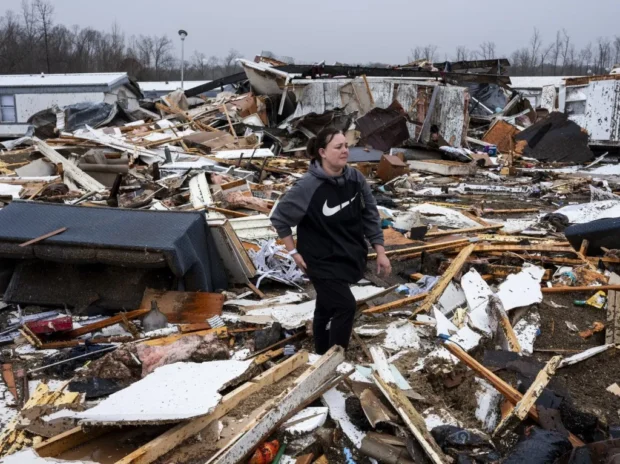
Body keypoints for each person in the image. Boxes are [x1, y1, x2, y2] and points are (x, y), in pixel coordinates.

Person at [270, 128, 391, 354]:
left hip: (347, 255)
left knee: (325, 306)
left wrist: (380, 251)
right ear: (323, 152)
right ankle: (335, 359)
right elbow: (279, 219)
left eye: (346, 146)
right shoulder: (307, 187)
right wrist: (293, 253)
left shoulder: (355, 178)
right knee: (345, 306)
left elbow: (371, 214)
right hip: (319, 259)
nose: (345, 151)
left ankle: (320, 353)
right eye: (338, 147)